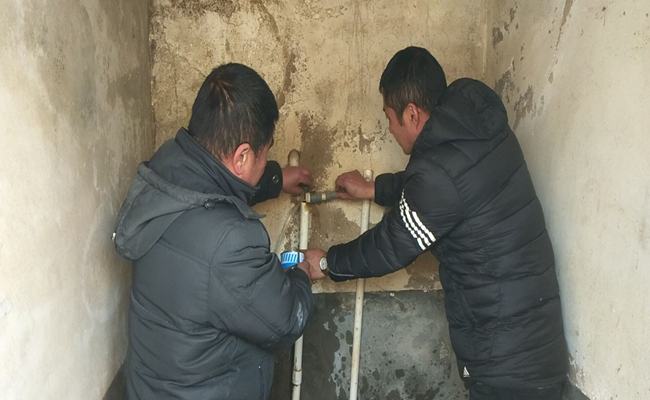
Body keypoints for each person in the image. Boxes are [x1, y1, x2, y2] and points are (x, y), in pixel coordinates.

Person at [322, 47, 568, 399]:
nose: (390, 128)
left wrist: (326, 262)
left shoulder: (439, 174)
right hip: (535, 346)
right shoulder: (477, 131)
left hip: (506, 364)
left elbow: (389, 246)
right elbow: (446, 187)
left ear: (411, 114)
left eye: (389, 117)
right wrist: (374, 188)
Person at [112, 63, 324, 400]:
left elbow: (211, 186)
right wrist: (301, 273)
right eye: (264, 153)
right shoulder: (230, 241)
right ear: (242, 157)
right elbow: (284, 322)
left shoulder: (165, 170)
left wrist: (274, 178)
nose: (265, 160)